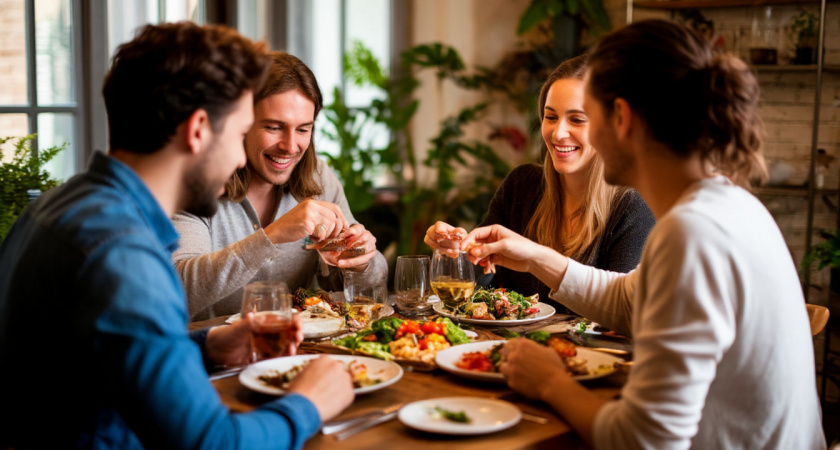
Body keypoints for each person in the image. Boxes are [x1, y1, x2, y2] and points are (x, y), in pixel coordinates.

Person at [460, 19, 825, 449]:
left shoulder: (693, 235)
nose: (568, 134)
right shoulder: (725, 203)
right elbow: (629, 300)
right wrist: (539, 258)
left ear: (622, 118)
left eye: (587, 117)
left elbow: (643, 441)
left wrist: (551, 382)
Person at [0, 23, 354, 449]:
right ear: (199, 130)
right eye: (241, 132)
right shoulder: (123, 252)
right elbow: (212, 443)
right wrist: (309, 402)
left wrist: (207, 345)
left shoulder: (60, 205)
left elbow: (98, 356)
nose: (244, 155)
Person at [173, 51, 387, 320]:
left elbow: (367, 291)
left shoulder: (319, 178)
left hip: (296, 352)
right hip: (209, 355)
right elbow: (178, 288)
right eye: (274, 127)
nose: (289, 146)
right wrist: (272, 236)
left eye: (302, 129)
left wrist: (361, 262)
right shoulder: (193, 182)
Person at [424, 54, 654, 305]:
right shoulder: (522, 184)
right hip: (509, 344)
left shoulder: (634, 207)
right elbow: (480, 275)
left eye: (577, 119)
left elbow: (621, 312)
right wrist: (455, 251)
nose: (558, 133)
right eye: (551, 117)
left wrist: (537, 259)